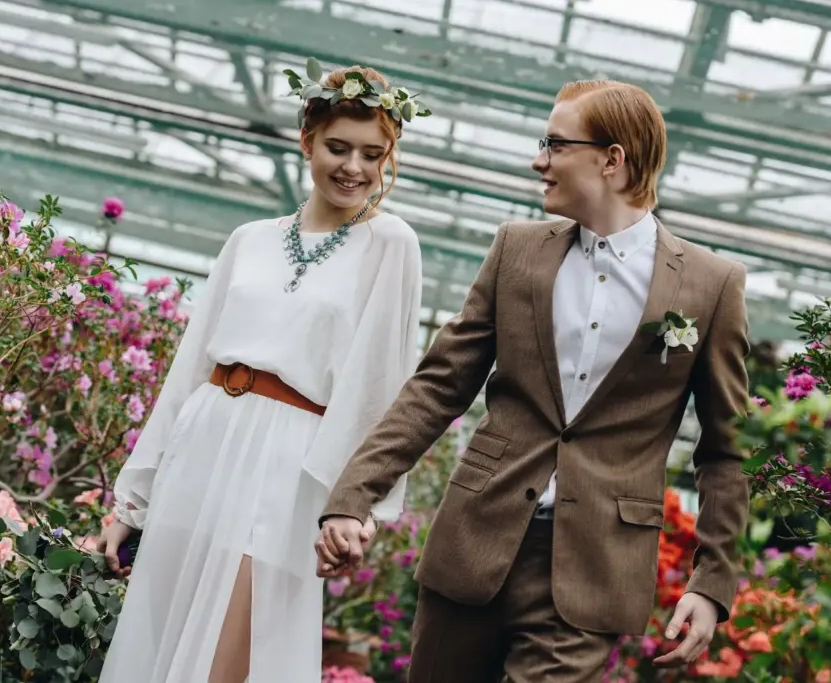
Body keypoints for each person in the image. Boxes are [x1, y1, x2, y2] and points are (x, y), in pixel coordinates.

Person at [315, 79, 751, 682]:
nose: (537, 159)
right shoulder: (517, 252)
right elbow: (439, 385)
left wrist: (712, 580)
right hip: (475, 543)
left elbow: (725, 450)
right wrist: (352, 496)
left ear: (611, 159)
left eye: (554, 143)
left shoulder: (712, 285)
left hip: (591, 571)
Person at [97, 60, 430, 683]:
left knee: (226, 658)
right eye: (337, 147)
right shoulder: (249, 238)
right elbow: (189, 369)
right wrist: (132, 502)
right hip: (204, 443)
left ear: (389, 156)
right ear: (307, 141)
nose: (354, 168)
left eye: (372, 153)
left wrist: (354, 506)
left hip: (290, 465)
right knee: (157, 644)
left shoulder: (393, 244)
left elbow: (380, 391)